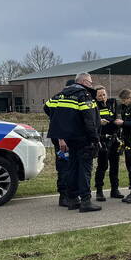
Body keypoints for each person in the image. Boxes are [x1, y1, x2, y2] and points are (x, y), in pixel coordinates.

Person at [50, 73, 102, 212]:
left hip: (70, 138)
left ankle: (72, 199)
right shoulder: (83, 95)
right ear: (84, 82)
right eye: (90, 82)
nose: (91, 85)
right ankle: (86, 201)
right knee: (85, 170)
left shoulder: (62, 94)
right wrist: (95, 139)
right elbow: (89, 119)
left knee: (72, 169)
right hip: (83, 139)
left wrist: (63, 127)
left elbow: (48, 108)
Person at [44, 78, 77, 207]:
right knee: (64, 167)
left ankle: (68, 194)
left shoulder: (55, 98)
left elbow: (46, 107)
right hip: (62, 138)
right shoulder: (65, 98)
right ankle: (64, 196)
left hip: (63, 136)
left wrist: (53, 117)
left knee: (68, 167)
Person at [93, 87, 123, 202]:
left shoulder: (112, 103)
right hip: (102, 140)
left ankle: (115, 189)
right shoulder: (94, 106)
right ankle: (99, 191)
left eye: (104, 94)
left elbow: (117, 117)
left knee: (115, 165)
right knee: (102, 166)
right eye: (100, 95)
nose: (102, 97)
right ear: (96, 96)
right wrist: (100, 122)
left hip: (114, 139)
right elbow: (93, 120)